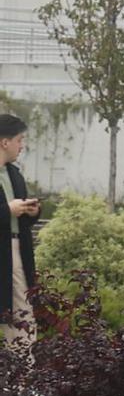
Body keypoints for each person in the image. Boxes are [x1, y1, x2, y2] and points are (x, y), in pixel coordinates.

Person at [1, 114, 39, 346]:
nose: (21, 146)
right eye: (19, 140)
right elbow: (7, 212)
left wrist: (31, 211)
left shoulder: (14, 174)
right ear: (5, 142)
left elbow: (18, 216)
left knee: (23, 315)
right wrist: (7, 210)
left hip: (16, 250)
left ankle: (21, 377)